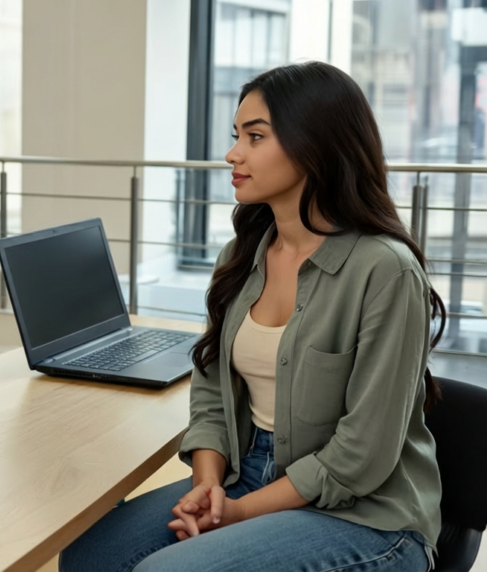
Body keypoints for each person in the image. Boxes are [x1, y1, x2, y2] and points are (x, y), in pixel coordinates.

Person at [60, 61, 444, 572]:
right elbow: (213, 396)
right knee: (90, 555)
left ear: (315, 143)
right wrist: (208, 486)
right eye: (237, 135)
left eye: (255, 136)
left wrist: (240, 512)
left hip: (368, 517)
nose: (232, 153)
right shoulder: (241, 256)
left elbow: (363, 456)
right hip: (249, 471)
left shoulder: (384, 271)